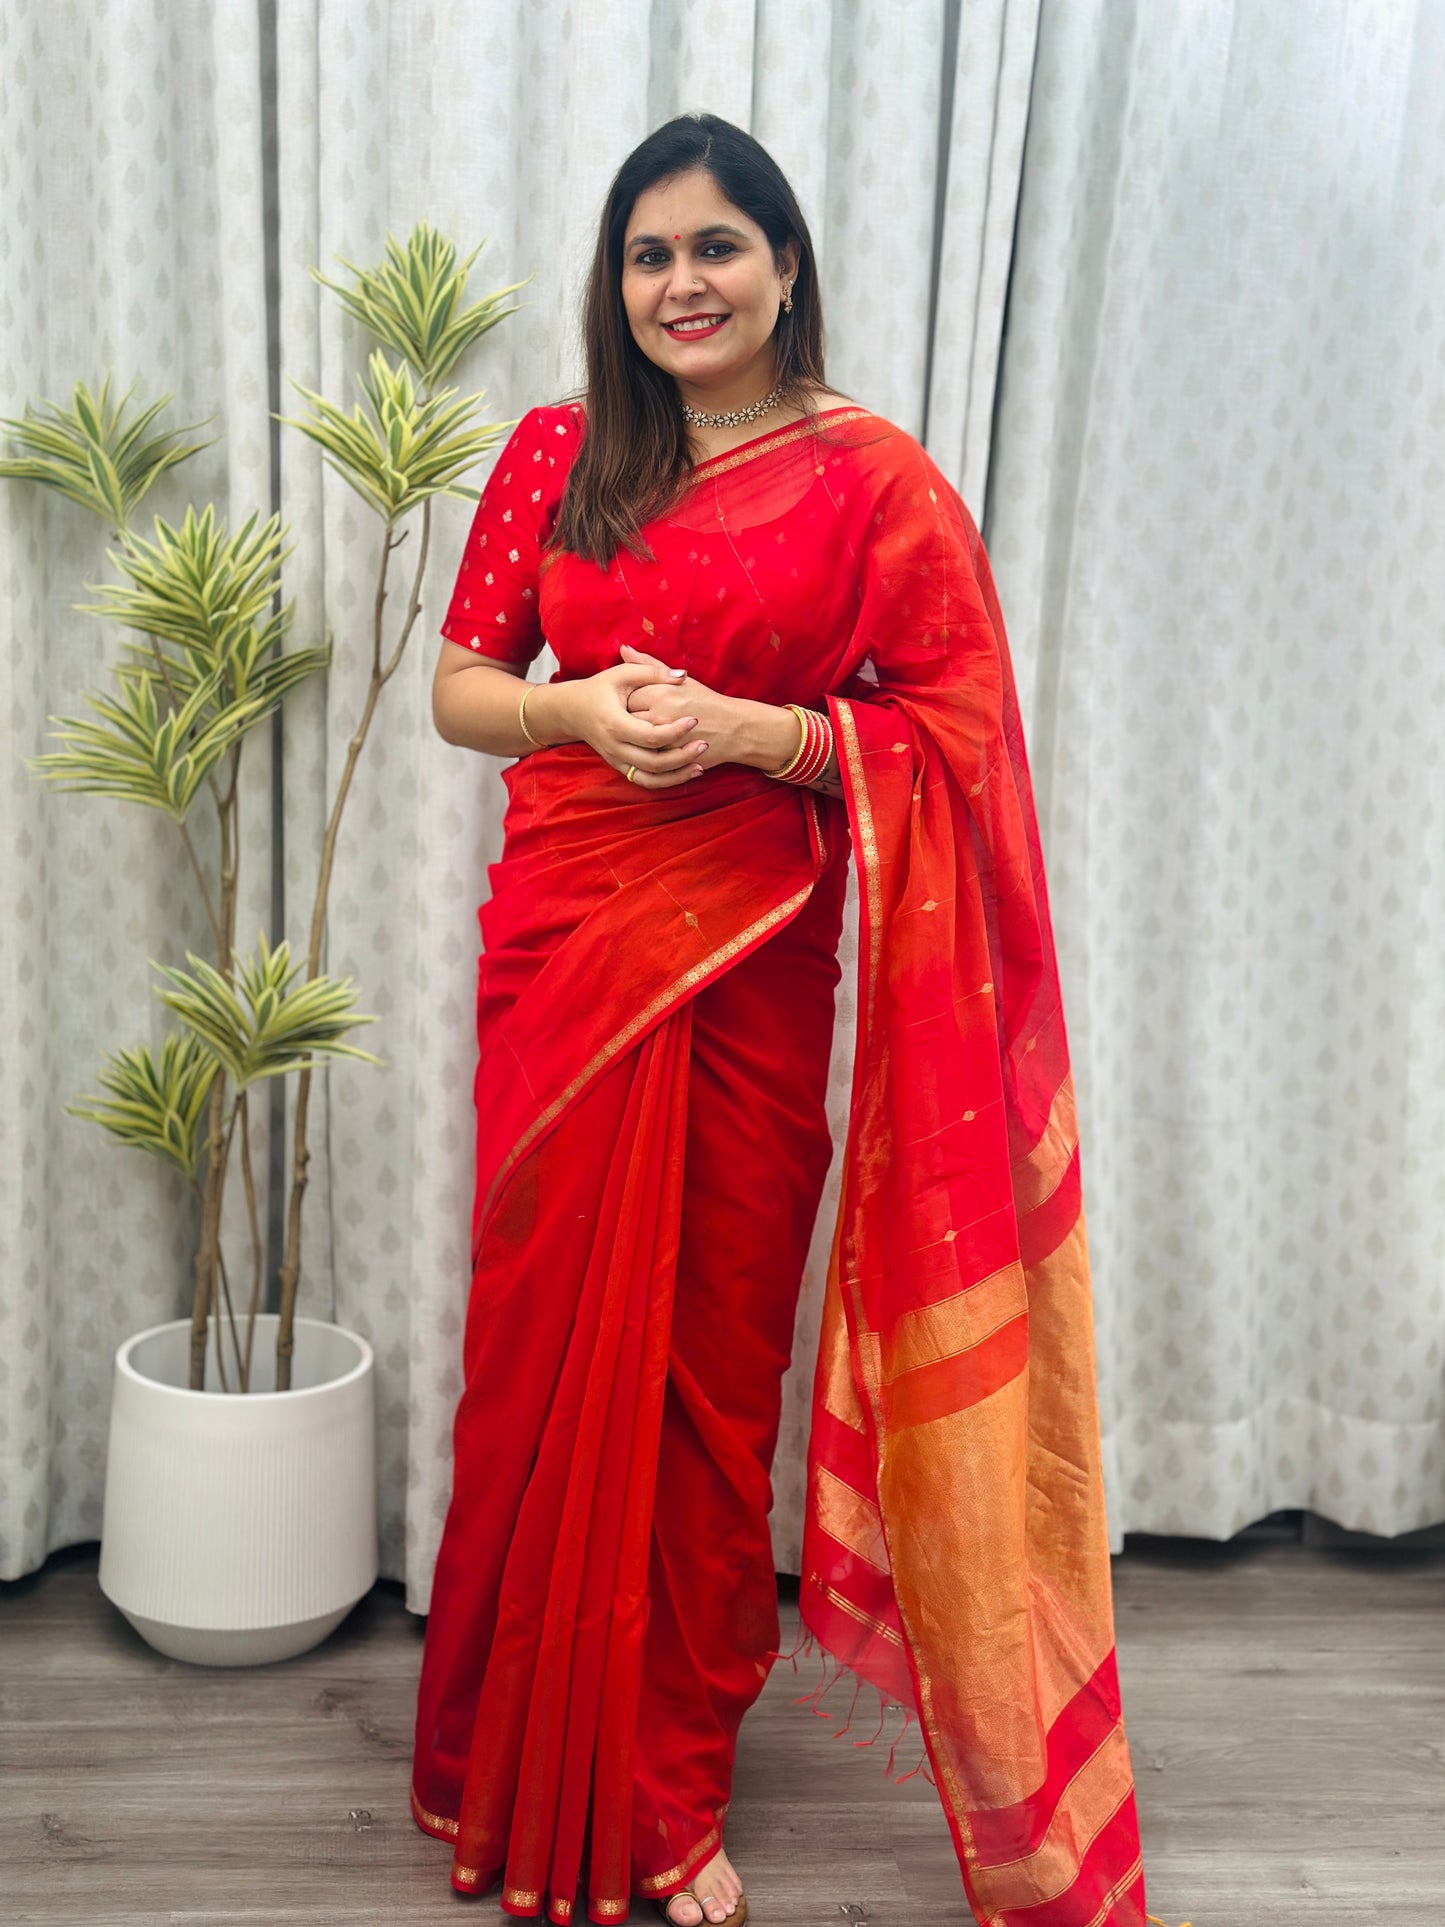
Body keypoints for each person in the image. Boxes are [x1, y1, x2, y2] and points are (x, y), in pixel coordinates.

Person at [411, 113, 1148, 1927]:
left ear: (785, 262)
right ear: (617, 282)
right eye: (647, 256)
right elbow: (462, 683)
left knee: (706, 1370)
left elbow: (955, 737)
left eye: (715, 248)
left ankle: (660, 1783)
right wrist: (579, 714)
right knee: (537, 1357)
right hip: (565, 958)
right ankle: (505, 1755)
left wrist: (764, 737)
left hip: (747, 965)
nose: (682, 285)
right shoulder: (558, 451)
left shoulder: (872, 480)